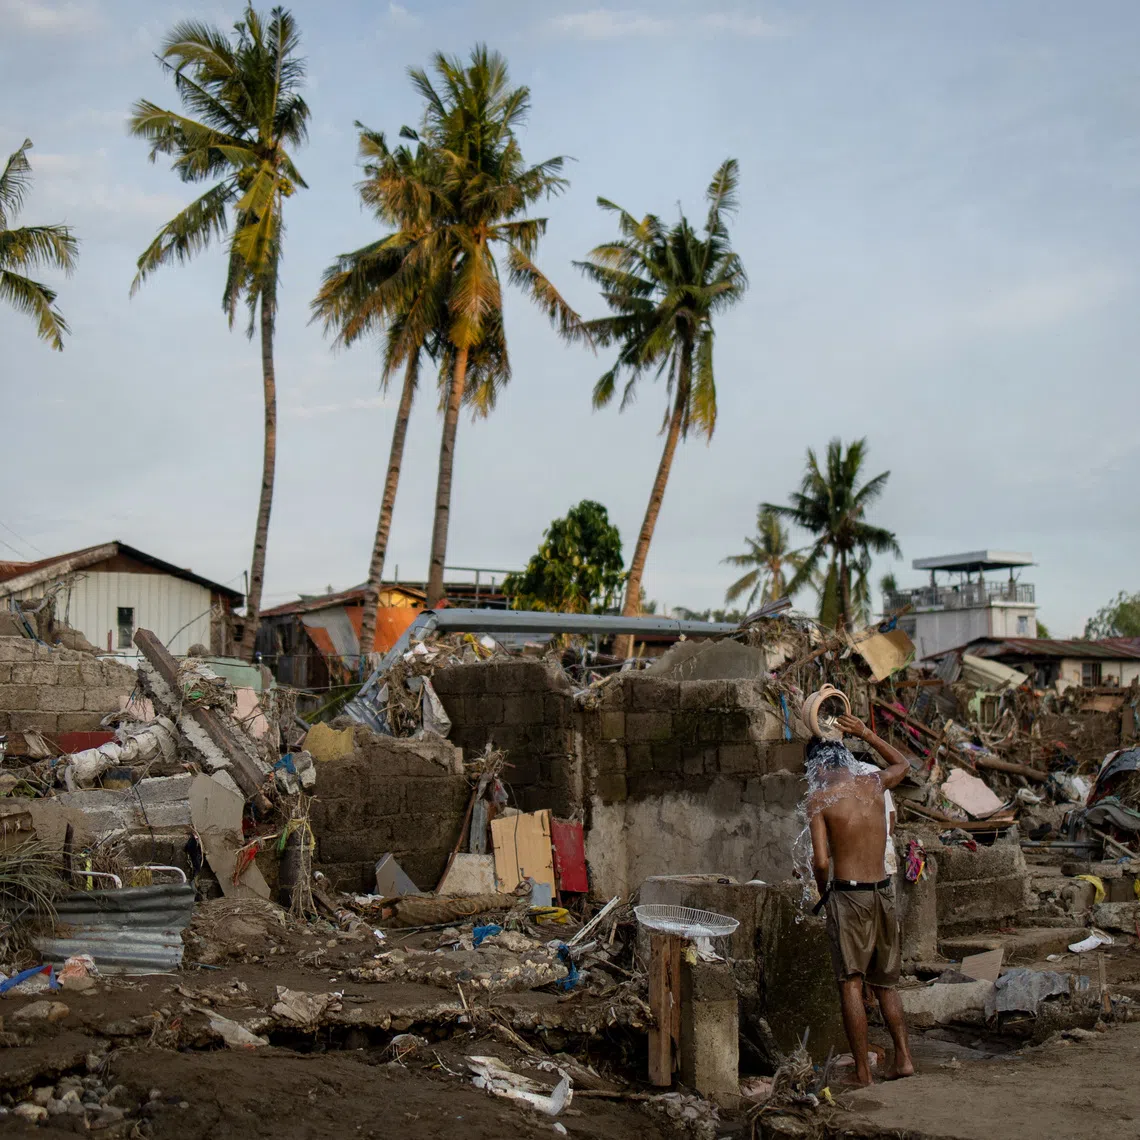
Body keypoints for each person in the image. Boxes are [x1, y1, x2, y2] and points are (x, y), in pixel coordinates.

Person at [807, 713, 915, 1085]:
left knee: (851, 982)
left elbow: (821, 861)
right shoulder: (874, 784)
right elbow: (904, 764)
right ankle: (903, 1058)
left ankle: (863, 1072)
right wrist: (867, 732)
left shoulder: (820, 799)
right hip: (883, 891)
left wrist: (823, 890)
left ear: (815, 767)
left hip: (849, 895)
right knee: (885, 983)